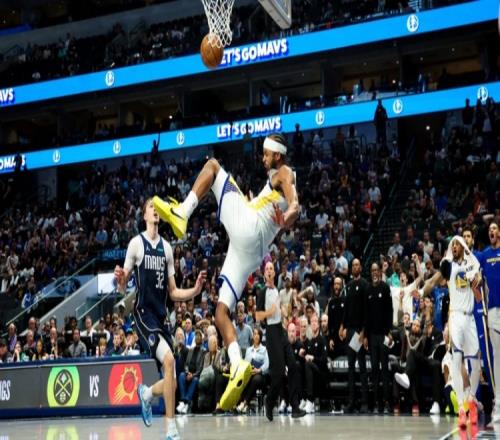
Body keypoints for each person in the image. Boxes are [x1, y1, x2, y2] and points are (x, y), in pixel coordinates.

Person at [153, 133, 299, 410]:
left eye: (266, 153)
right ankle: (237, 363)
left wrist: (288, 217)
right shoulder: (275, 180)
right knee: (220, 312)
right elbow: (283, 205)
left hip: (250, 230)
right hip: (250, 252)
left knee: (213, 166)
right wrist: (278, 215)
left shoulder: (284, 172)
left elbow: (295, 205)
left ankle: (182, 213)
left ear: (278, 155)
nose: (263, 158)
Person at [114, 198, 206, 440]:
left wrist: (195, 290)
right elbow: (122, 288)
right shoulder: (136, 244)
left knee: (171, 384)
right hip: (143, 315)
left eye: (158, 208)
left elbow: (173, 292)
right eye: (151, 208)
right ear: (144, 215)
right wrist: (120, 278)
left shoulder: (166, 248)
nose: (155, 211)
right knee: (169, 360)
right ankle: (171, 430)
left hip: (162, 317)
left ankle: (145, 394)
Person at [423, 236, 481, 429]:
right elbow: (433, 280)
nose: (455, 246)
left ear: (463, 247)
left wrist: (477, 282)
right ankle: (463, 409)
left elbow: (479, 294)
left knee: (476, 364)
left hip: (470, 317)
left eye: (458, 244)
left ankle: (471, 399)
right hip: (455, 316)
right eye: (452, 244)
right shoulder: (448, 266)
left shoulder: (472, 264)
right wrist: (422, 291)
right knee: (455, 361)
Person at [255, 261, 305, 420]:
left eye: (271, 268)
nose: (269, 270)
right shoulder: (262, 292)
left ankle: (295, 407)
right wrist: (270, 312)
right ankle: (269, 401)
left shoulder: (277, 290)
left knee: (293, 365)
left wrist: (284, 312)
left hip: (281, 330)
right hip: (271, 333)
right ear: (265, 274)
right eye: (267, 269)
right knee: (279, 373)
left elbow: (279, 309)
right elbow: (257, 316)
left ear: (274, 273)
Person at [340, 259, 369, 413]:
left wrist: (364, 332)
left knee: (362, 367)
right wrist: (342, 326)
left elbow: (366, 310)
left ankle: (364, 402)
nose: (355, 267)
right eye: (353, 265)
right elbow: (346, 308)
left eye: (358, 265)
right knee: (350, 367)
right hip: (350, 330)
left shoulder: (365, 285)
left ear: (361, 268)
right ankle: (351, 402)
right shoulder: (349, 286)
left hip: (359, 331)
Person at [476, 222, 500, 415]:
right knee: (497, 356)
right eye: (490, 229)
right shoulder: (484, 255)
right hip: (492, 310)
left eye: (494, 228)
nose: (491, 231)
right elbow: (477, 278)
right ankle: (498, 401)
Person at [365, 262, 393, 414]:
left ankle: (387, 401)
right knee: (375, 369)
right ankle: (377, 402)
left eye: (377, 270)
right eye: (372, 270)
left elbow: (390, 311)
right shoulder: (368, 290)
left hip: (383, 335)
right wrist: (365, 336)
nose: (375, 272)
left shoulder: (385, 288)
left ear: (380, 272)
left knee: (385, 370)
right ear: (371, 273)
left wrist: (389, 331)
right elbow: (366, 315)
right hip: (372, 337)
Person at [236, 327, 269, 414]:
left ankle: (244, 403)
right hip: (250, 374)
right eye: (254, 334)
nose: (256, 336)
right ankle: (243, 404)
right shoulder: (248, 350)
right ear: (253, 336)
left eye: (258, 334)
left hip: (261, 376)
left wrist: (259, 370)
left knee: (256, 379)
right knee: (243, 379)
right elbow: (245, 364)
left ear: (260, 336)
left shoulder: (264, 349)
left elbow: (267, 364)